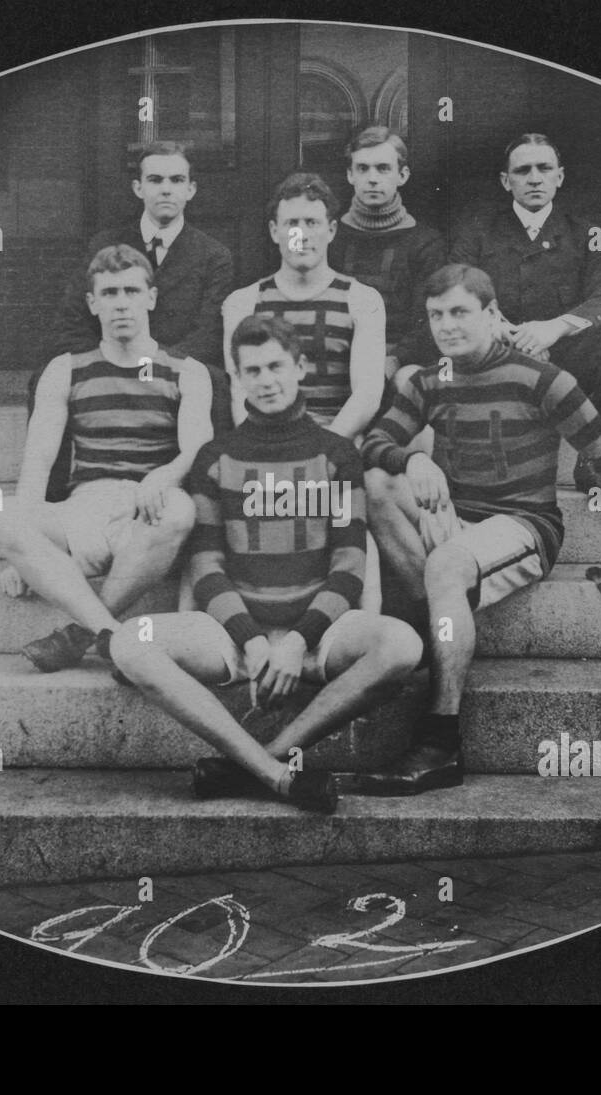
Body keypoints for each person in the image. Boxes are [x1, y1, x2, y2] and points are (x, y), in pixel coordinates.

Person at [110, 314, 422, 813]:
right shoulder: (215, 457)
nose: (267, 380)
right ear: (237, 379)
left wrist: (299, 640)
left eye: (276, 366)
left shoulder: (338, 455)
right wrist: (253, 641)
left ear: (300, 367)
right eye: (252, 370)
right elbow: (208, 567)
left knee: (402, 644)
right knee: (129, 641)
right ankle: (276, 774)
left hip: (319, 636)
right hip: (236, 638)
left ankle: (260, 760)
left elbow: (348, 565)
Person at [357, 264, 601, 795]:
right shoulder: (428, 381)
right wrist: (413, 461)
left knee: (446, 564)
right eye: (436, 315)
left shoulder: (542, 378)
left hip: (522, 523)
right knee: (377, 481)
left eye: (461, 312)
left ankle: (441, 740)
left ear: (492, 314)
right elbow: (375, 444)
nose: (447, 326)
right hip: (456, 518)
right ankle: (442, 624)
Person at [0, 244, 213, 672]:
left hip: (144, 515)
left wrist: (163, 478)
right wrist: (19, 556)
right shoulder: (67, 369)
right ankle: (107, 633)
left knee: (180, 509)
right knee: (3, 514)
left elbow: (198, 447)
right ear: (93, 304)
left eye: (131, 291)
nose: (121, 303)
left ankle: (77, 634)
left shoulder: (185, 370)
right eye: (109, 293)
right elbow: (37, 463)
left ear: (151, 297)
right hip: (83, 512)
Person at [222, 171, 389, 611]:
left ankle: (360, 631)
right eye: (292, 223)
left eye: (313, 223)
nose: (303, 234)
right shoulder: (243, 303)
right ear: (275, 231)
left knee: (355, 522)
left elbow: (367, 393)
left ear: (332, 230)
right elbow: (242, 392)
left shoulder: (362, 299)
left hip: (337, 445)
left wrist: (322, 452)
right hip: (263, 446)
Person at [449, 134, 601, 490]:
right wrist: (502, 331)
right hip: (502, 357)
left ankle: (595, 456)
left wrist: (554, 328)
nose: (534, 178)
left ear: (559, 176)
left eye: (544, 169)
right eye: (523, 170)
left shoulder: (585, 233)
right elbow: (453, 288)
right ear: (506, 181)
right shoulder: (478, 232)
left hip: (567, 359)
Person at [45, 140, 234, 437]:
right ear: (138, 188)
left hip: (176, 366)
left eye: (177, 180)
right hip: (109, 360)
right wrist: (111, 361)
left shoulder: (214, 256)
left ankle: (204, 480)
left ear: (191, 189)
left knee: (215, 381)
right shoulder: (104, 246)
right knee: (46, 379)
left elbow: (207, 336)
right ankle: (53, 484)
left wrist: (152, 365)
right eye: (155, 180)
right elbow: (71, 322)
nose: (166, 189)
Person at [327, 126, 447, 376]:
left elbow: (426, 321)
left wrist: (395, 360)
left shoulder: (425, 243)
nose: (372, 178)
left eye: (383, 168)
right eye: (363, 168)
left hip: (397, 360)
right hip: (336, 354)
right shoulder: (330, 237)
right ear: (350, 175)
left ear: (402, 175)